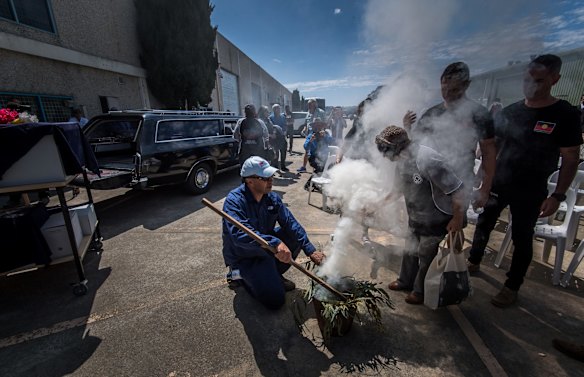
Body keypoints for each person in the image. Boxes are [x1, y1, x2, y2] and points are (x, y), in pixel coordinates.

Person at [466, 54, 583, 308]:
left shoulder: (565, 114)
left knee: (522, 236)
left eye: (539, 80)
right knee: (484, 224)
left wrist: (558, 195)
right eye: (527, 79)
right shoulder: (510, 111)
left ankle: (512, 285)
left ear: (555, 79)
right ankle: (472, 261)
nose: (531, 85)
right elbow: (491, 148)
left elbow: (571, 157)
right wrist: (480, 181)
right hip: (499, 181)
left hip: (531, 188)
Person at [375, 126, 465, 305]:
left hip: (436, 217)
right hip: (416, 216)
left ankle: (420, 291)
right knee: (410, 251)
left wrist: (457, 218)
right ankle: (404, 281)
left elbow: (457, 189)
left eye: (386, 151)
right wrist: (376, 205)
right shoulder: (401, 160)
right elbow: (397, 190)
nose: (384, 156)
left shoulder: (428, 159)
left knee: (426, 255)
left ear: (399, 147)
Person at [222, 156, 325, 309]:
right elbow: (239, 236)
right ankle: (238, 275)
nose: (271, 180)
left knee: (293, 235)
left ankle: (272, 275)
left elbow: (291, 223)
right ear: (249, 181)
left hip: (266, 249)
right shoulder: (234, 201)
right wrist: (275, 242)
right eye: (265, 178)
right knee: (276, 300)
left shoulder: (271, 198)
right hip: (245, 257)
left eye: (271, 176)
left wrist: (310, 250)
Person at [410, 62, 497, 212]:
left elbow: (488, 153)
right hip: (431, 180)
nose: (449, 94)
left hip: (460, 180)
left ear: (466, 85)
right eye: (445, 89)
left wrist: (485, 189)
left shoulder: (479, 114)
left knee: (455, 223)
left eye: (455, 89)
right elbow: (415, 145)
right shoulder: (431, 114)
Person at [298, 98, 326, 172]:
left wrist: (322, 132)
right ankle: (304, 167)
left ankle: (320, 167)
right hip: (310, 132)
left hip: (318, 133)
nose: (310, 106)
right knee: (307, 149)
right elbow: (306, 123)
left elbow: (324, 124)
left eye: (311, 104)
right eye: (309, 104)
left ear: (315, 104)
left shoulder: (321, 112)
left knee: (318, 150)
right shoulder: (308, 112)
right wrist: (304, 129)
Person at [269, 104, 288, 171]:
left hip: (282, 136)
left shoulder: (283, 117)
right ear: (273, 110)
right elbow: (271, 127)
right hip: (275, 137)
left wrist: (285, 130)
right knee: (275, 153)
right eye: (276, 108)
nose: (278, 110)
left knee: (283, 152)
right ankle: (275, 166)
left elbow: (285, 124)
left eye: (279, 108)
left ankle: (283, 166)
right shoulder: (270, 117)